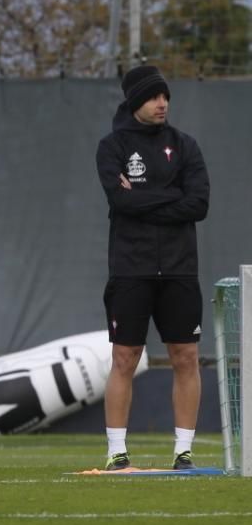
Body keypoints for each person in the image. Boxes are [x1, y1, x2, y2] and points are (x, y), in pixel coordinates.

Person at [95, 64, 210, 471]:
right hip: (130, 269)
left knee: (185, 356)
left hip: (180, 270)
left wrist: (145, 197)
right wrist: (169, 198)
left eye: (165, 97)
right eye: (152, 97)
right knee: (124, 357)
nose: (161, 103)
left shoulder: (185, 146)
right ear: (134, 102)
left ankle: (183, 451)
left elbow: (199, 205)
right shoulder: (112, 147)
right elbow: (121, 202)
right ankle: (116, 452)